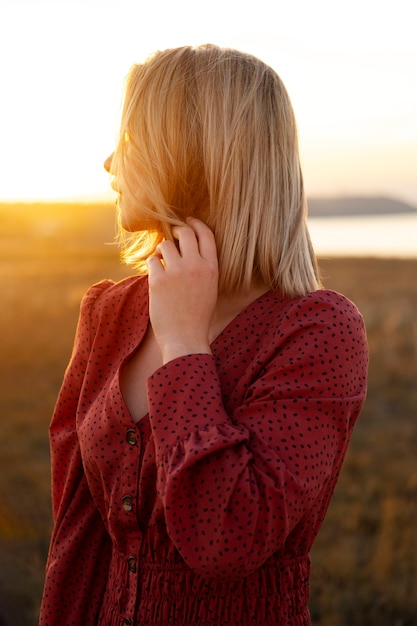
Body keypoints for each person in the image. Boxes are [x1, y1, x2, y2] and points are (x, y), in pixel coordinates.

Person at [39, 44, 368, 626]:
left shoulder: (319, 333)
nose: (109, 164)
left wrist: (185, 342)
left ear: (191, 156)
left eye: (131, 142)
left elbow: (227, 539)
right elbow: (76, 537)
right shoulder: (108, 313)